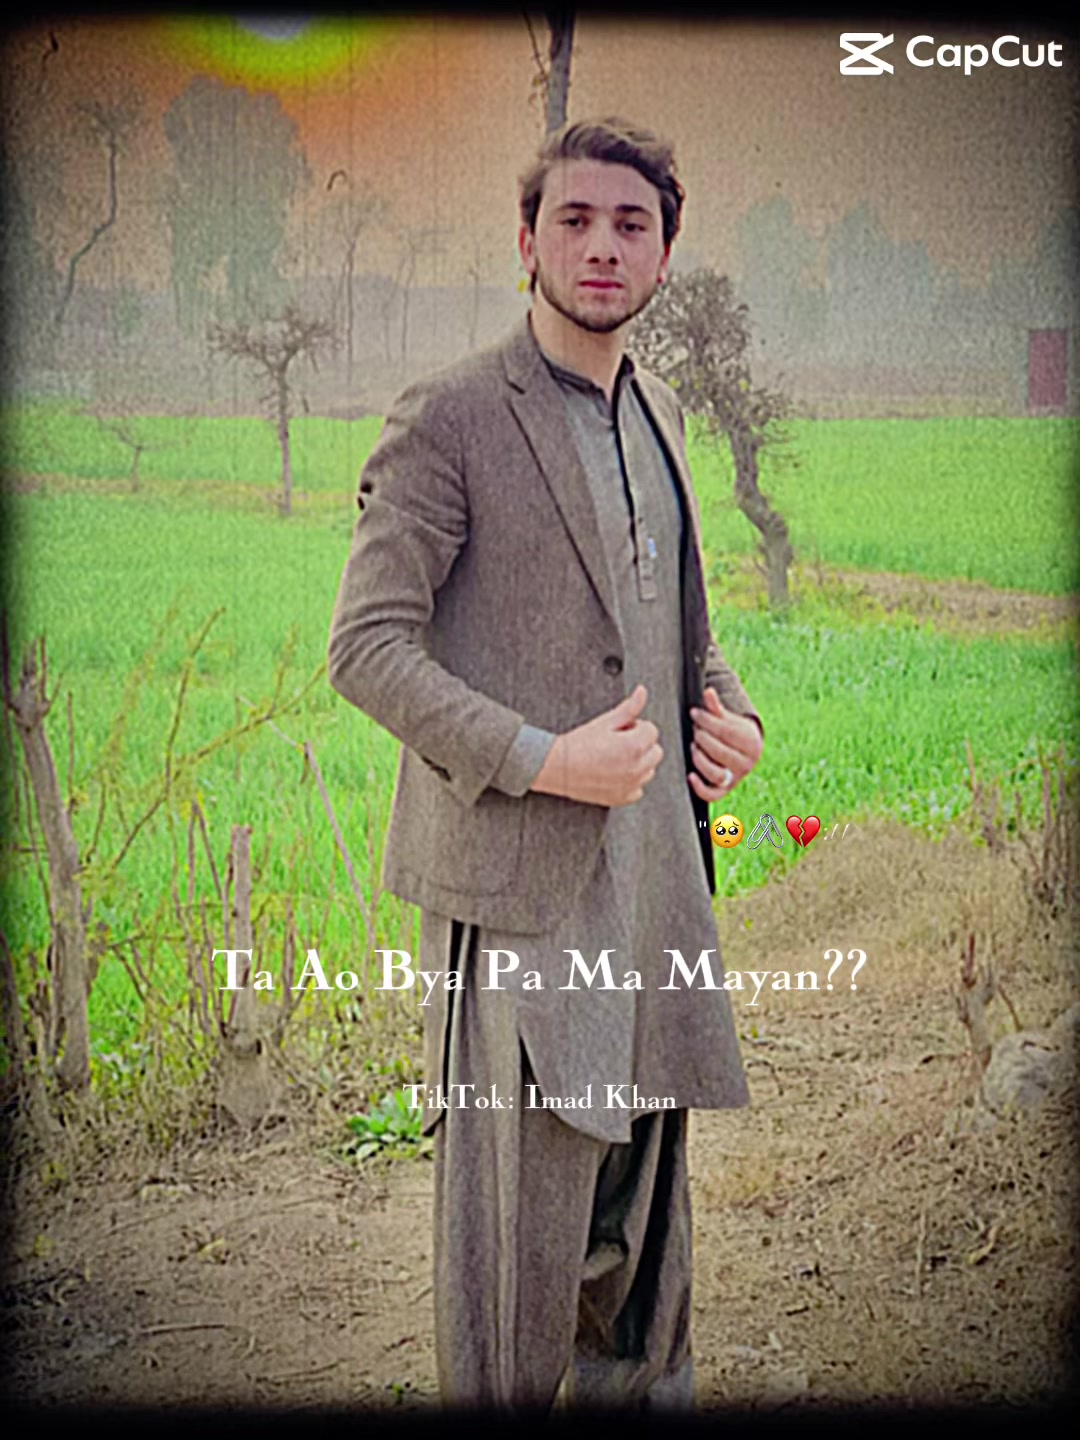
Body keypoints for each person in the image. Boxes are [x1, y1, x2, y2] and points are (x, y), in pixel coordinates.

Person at [327, 116, 764, 1415]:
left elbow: (672, 629)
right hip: (521, 903)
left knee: (642, 1256)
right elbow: (366, 647)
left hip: (657, 888)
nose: (602, 246)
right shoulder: (453, 416)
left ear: (665, 255)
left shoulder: (662, 413)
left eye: (632, 224)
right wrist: (540, 758)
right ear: (526, 241)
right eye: (574, 220)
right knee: (516, 1273)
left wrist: (727, 715)